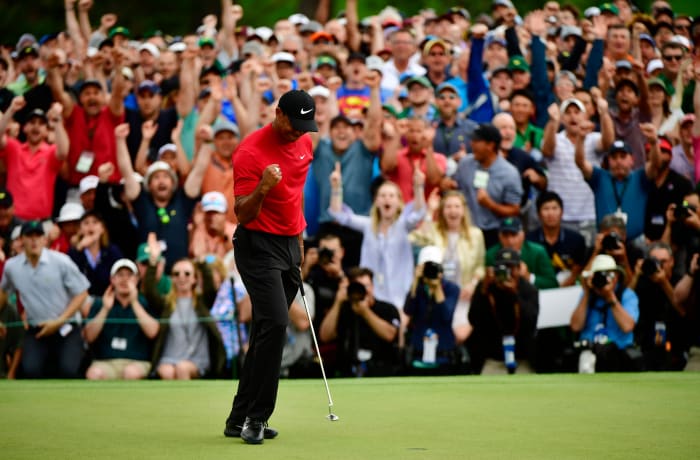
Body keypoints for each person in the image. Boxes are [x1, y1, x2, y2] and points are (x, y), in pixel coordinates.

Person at [223, 90, 317, 445]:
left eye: (305, 126)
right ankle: (257, 417)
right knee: (277, 323)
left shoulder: (304, 141)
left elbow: (296, 192)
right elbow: (243, 214)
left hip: (289, 244)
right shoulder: (249, 152)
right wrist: (263, 188)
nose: (299, 132)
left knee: (265, 332)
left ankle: (237, 418)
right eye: (295, 124)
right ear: (278, 114)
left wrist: (300, 240)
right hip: (257, 245)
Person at [328, 163, 426, 315]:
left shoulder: (403, 225)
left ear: (398, 201)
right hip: (373, 296)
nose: (387, 199)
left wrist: (419, 187)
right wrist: (336, 188)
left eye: (391, 196)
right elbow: (340, 215)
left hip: (400, 296)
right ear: (376, 201)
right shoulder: (368, 225)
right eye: (383, 195)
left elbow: (419, 213)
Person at [0, 221, 90, 378]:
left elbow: (82, 293)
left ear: (44, 239)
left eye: (38, 236)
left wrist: (59, 321)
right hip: (36, 330)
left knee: (68, 370)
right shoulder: (12, 267)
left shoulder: (61, 261)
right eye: (29, 236)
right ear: (21, 239)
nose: (34, 240)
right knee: (30, 371)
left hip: (66, 327)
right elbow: (3, 292)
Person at [143, 234, 225, 380]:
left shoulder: (202, 302)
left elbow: (211, 288)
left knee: (182, 368)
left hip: (197, 359)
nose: (181, 277)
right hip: (169, 357)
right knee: (166, 371)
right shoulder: (167, 303)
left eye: (187, 274)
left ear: (194, 279)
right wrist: (153, 261)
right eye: (176, 274)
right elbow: (149, 291)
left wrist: (201, 262)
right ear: (172, 278)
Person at [409, 189, 486, 343]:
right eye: (448, 207)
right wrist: (430, 211)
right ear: (442, 211)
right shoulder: (434, 230)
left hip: (463, 295)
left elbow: (480, 266)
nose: (453, 211)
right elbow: (414, 238)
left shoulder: (475, 234)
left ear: (463, 210)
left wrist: (473, 284)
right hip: (438, 294)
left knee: (459, 334)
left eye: (457, 206)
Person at [443, 123, 522, 247]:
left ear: (490, 145)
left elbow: (514, 210)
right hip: (465, 230)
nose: (471, 144)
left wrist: (490, 204)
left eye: (476, 141)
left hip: (493, 234)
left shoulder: (509, 173)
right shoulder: (465, 163)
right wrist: (449, 184)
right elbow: (456, 188)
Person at [83, 258, 159, 380]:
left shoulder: (145, 302)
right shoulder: (100, 303)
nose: (124, 279)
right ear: (112, 279)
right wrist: (105, 309)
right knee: (94, 373)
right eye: (120, 275)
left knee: (131, 373)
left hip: (137, 362)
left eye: (129, 275)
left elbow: (153, 332)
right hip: (106, 362)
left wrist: (134, 302)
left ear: (137, 279)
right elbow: (89, 336)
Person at [468, 248, 539, 374]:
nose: (507, 272)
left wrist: (514, 294)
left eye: (511, 268)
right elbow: (473, 319)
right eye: (503, 268)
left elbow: (531, 322)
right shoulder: (487, 288)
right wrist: (483, 291)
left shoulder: (528, 289)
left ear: (519, 268)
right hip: (493, 358)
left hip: (522, 358)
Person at [319, 267, 400, 377]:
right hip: (347, 372)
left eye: (367, 286)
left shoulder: (387, 309)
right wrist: (338, 302)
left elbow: (390, 335)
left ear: (373, 286)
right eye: (359, 286)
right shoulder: (344, 310)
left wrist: (365, 312)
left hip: (381, 370)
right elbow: (325, 336)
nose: (364, 291)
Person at [570, 254, 641, 372]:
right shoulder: (587, 295)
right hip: (589, 352)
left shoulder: (627, 295)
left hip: (618, 353)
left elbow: (628, 326)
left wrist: (610, 296)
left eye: (607, 274)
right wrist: (586, 292)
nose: (602, 279)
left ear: (616, 277)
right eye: (598, 275)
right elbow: (575, 326)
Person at [403, 246, 465, 375]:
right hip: (418, 355)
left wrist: (437, 288)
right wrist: (415, 281)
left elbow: (446, 316)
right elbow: (408, 310)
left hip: (444, 355)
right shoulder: (417, 289)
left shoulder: (451, 288)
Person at [630, 243, 688, 370]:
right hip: (645, 345)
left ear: (672, 261)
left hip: (675, 345)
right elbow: (626, 302)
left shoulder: (680, 282)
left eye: (664, 261)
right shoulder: (642, 281)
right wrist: (636, 275)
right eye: (655, 261)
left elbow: (683, 311)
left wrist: (664, 283)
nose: (659, 265)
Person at [526, 191, 587, 287]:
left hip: (569, 289)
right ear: (538, 214)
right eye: (546, 209)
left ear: (562, 212)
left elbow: (578, 270)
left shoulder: (576, 240)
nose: (551, 213)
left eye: (554, 208)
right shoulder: (529, 241)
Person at [486, 217, 559, 290]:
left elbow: (553, 284)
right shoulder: (491, 254)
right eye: (505, 236)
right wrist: (488, 280)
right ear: (499, 236)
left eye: (514, 235)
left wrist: (529, 277)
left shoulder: (538, 252)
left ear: (522, 235)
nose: (510, 240)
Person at [68, 210, 123, 296]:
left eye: (95, 222)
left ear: (102, 228)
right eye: (86, 223)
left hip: (108, 297)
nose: (91, 226)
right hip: (81, 300)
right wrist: (79, 248)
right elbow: (70, 277)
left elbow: (120, 275)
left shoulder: (112, 251)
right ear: (80, 229)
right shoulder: (73, 252)